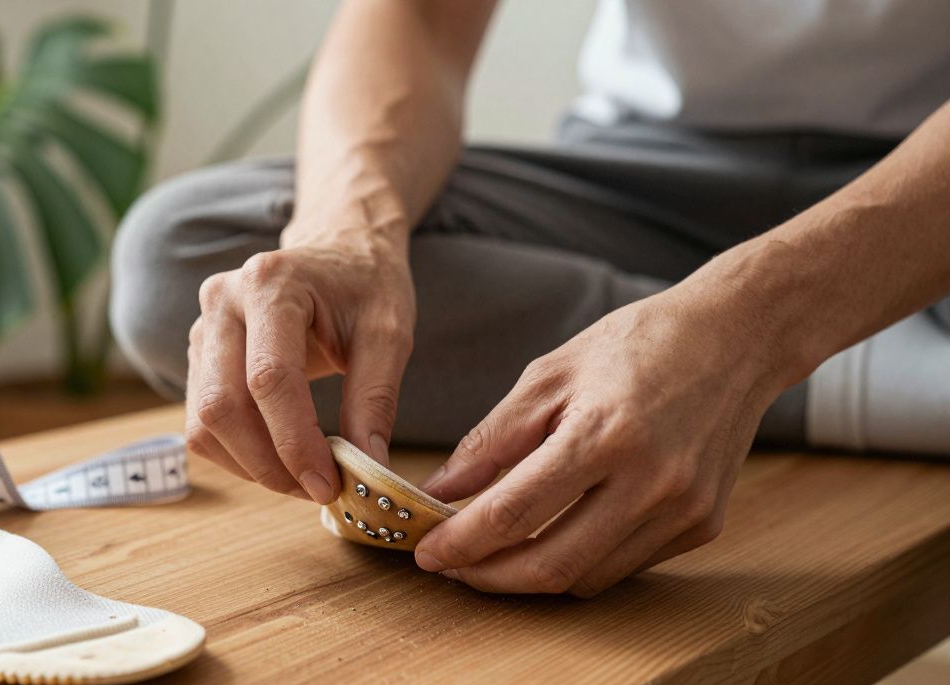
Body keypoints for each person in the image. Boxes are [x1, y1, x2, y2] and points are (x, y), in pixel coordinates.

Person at [109, 0, 950, 597]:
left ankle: (749, 368)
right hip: (640, 180)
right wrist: (343, 234)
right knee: (183, 264)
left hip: (923, 196)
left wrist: (751, 329)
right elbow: (422, 17)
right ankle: (887, 378)